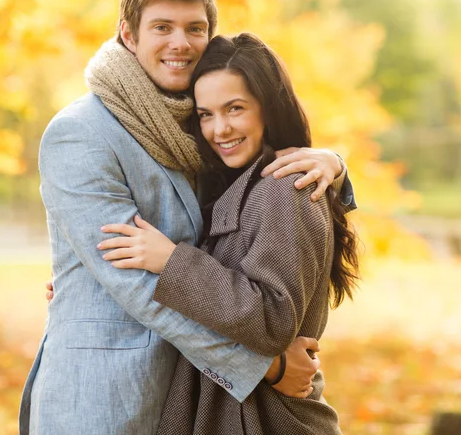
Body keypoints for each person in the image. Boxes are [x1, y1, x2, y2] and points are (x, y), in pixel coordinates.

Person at [21, 0, 356, 435]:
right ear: (128, 35)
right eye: (162, 27)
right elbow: (131, 281)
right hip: (109, 397)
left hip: (200, 402)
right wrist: (266, 366)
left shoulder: (197, 130)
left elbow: (257, 210)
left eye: (194, 28)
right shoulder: (81, 134)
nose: (180, 43)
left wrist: (336, 168)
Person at [96, 33, 360, 434]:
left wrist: (171, 261)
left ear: (268, 109)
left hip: (269, 418)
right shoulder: (233, 184)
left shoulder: (283, 186)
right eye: (205, 114)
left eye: (234, 109)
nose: (219, 129)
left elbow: (272, 320)